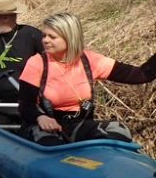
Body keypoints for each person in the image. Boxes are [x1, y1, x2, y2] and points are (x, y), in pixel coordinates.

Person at [18, 12, 156, 145]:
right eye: (44, 36)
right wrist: (39, 117)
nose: (45, 41)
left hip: (79, 126)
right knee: (51, 143)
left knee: (119, 130)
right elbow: (25, 106)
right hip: (45, 127)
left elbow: (141, 74)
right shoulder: (36, 63)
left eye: (52, 37)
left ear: (69, 38)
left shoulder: (91, 60)